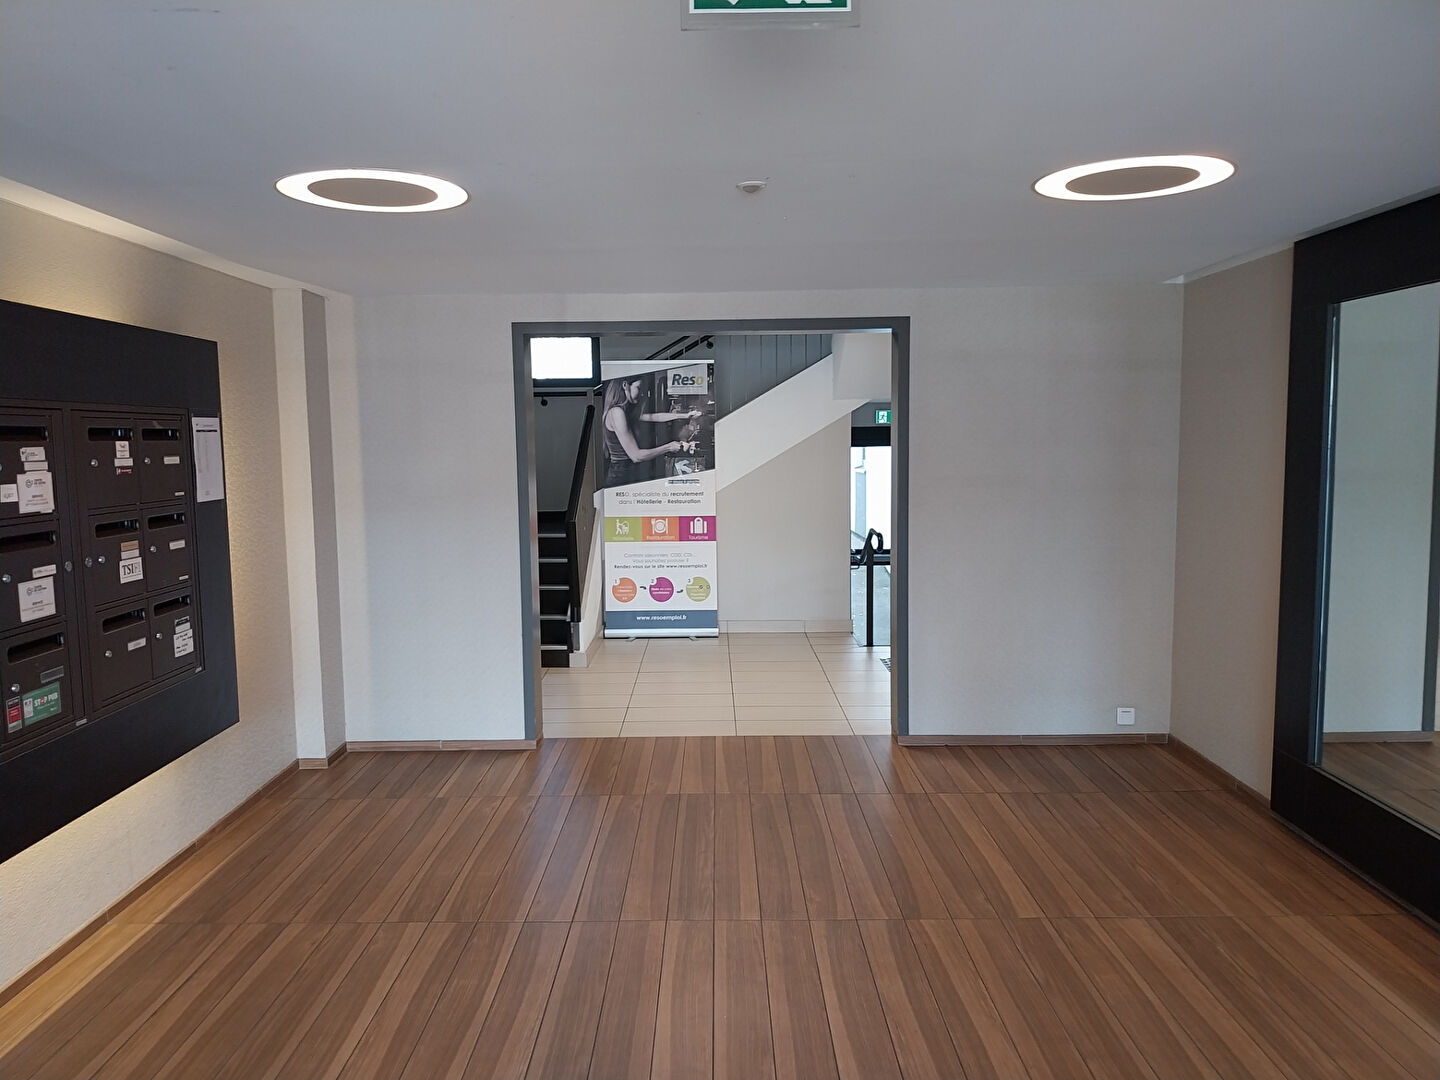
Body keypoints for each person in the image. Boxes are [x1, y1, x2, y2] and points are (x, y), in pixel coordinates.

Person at [602, 376, 701, 487]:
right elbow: (636, 456)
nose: (642, 394)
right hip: (621, 477)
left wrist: (686, 415)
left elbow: (656, 417)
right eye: (639, 388)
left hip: (629, 474)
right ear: (625, 385)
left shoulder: (625, 412)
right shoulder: (616, 412)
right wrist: (669, 447)